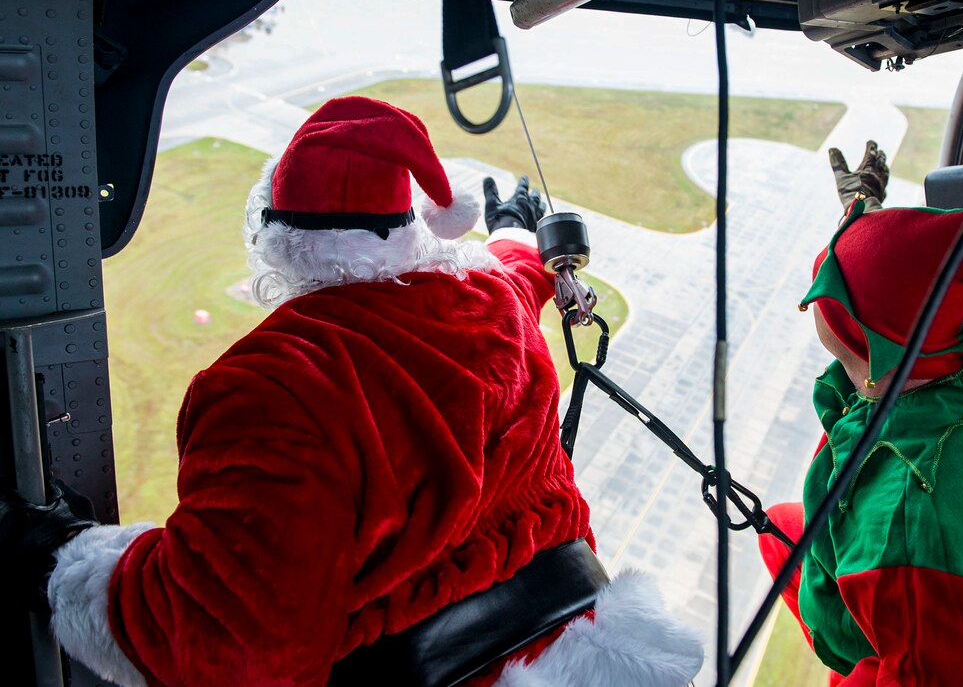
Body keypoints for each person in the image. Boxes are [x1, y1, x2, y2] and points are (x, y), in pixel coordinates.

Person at [0, 96, 703, 686]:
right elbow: (512, 272)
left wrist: (67, 561)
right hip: (595, 647)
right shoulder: (487, 300)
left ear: (277, 237)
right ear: (409, 227)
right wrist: (515, 231)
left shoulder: (270, 384)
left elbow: (230, 640)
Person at [759, 141, 963, 684]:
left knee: (784, 538)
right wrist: (862, 208)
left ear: (855, 334)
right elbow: (896, 289)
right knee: (779, 529)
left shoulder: (911, 522)